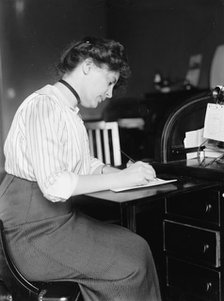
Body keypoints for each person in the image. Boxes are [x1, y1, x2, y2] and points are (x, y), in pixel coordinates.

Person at [0, 36, 161, 301]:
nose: (110, 93)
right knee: (129, 265)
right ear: (87, 66)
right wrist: (123, 177)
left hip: (56, 221)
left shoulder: (68, 111)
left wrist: (130, 174)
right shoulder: (44, 106)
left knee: (137, 246)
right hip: (29, 232)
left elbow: (85, 165)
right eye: (110, 82)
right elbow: (54, 184)